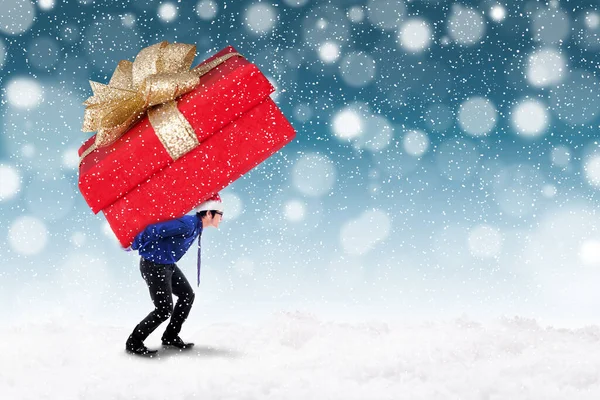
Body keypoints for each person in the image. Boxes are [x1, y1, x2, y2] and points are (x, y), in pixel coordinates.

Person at [125, 193, 224, 356]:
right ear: (208, 213)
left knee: (187, 295)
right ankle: (134, 342)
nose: (222, 218)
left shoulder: (196, 226)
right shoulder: (187, 224)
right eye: (220, 214)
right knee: (163, 310)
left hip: (167, 264)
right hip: (154, 266)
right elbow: (154, 230)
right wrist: (134, 244)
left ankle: (170, 336)